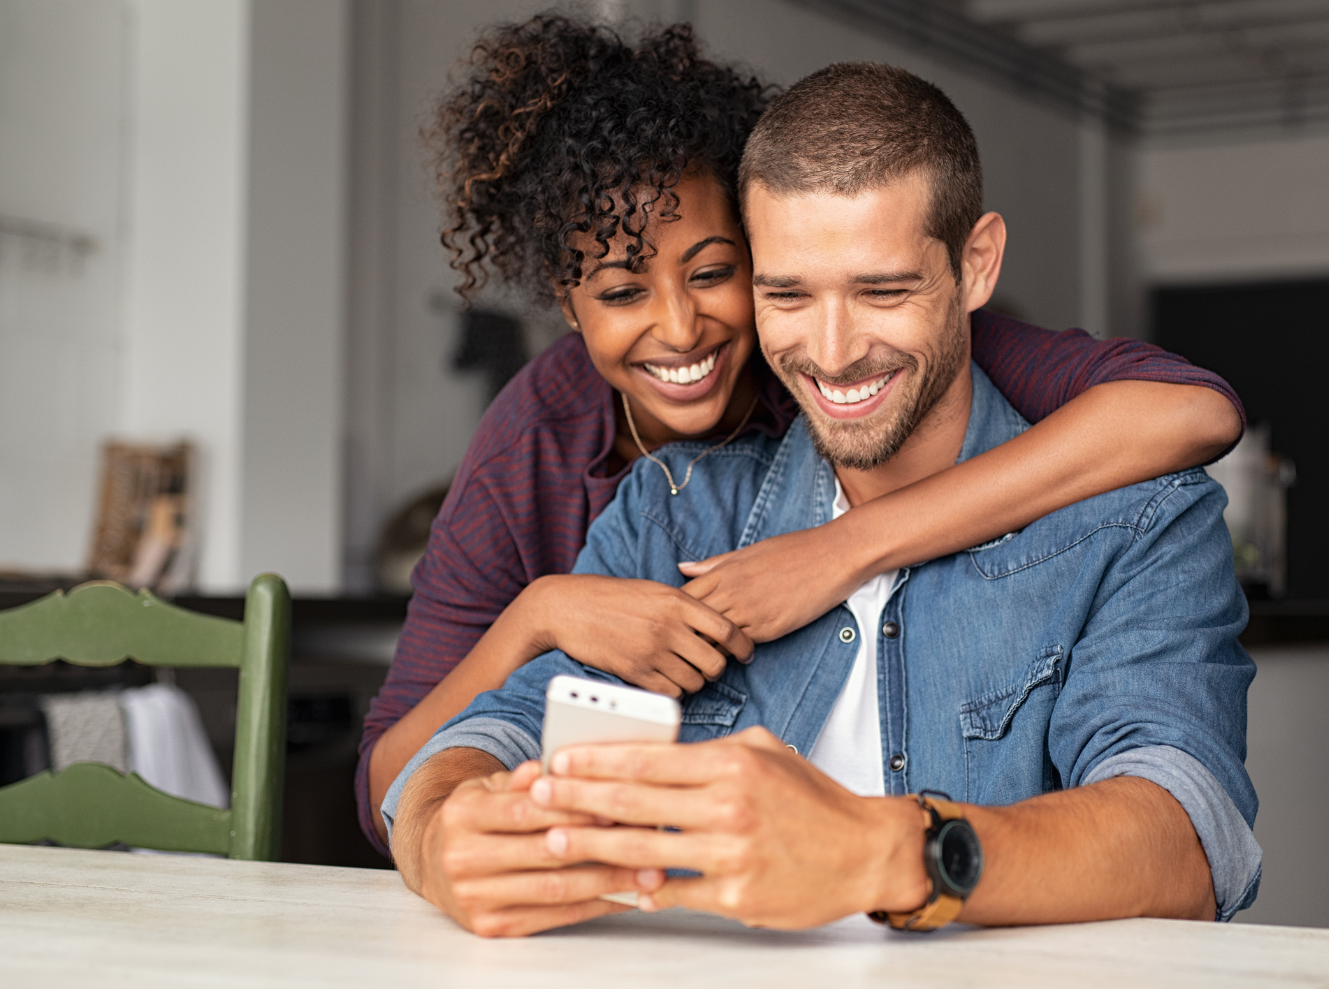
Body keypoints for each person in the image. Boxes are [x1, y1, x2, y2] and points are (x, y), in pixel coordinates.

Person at [383, 62, 1259, 938]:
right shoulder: (671, 510)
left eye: (883, 290)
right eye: (788, 294)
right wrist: (439, 835)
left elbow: (1184, 840)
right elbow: (483, 738)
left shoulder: (1139, 520)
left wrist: (884, 852)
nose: (834, 353)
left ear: (976, 264)